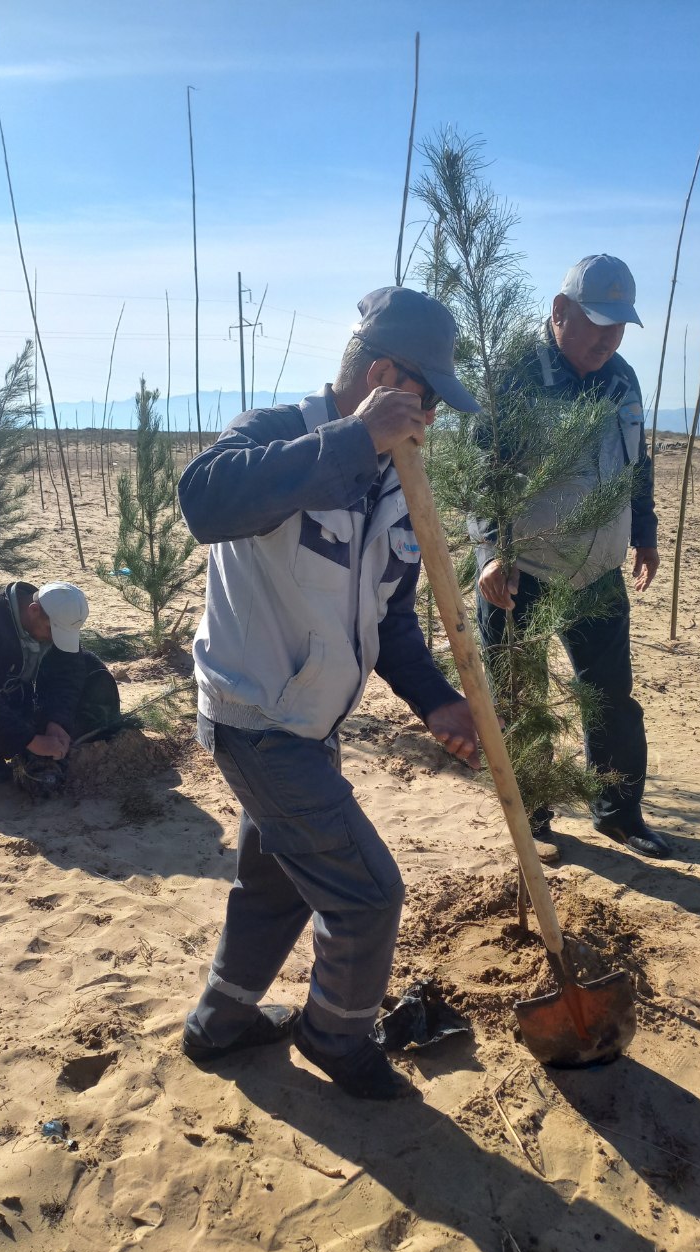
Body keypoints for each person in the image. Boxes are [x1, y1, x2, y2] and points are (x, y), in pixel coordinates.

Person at [178, 286, 482, 1101]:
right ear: (384, 377)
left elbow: (391, 620)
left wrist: (436, 701)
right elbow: (204, 501)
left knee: (278, 883)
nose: (432, 423)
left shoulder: (395, 483)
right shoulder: (277, 434)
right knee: (368, 896)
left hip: (310, 725)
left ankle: (220, 1023)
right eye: (428, 403)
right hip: (257, 719)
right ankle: (334, 1035)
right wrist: (353, 438)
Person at [472, 254, 670, 859]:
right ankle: (531, 821)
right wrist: (490, 552)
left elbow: (637, 463)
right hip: (521, 572)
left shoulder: (623, 379)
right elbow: (480, 476)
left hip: (598, 571)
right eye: (599, 324)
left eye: (620, 327)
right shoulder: (513, 377)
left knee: (611, 697)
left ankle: (619, 814)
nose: (609, 340)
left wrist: (644, 532)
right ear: (560, 312)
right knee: (520, 701)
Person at [0, 580, 119, 784]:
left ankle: (36, 742)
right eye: (52, 631)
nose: (54, 639)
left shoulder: (55, 619)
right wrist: (30, 740)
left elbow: (68, 674)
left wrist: (57, 722)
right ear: (33, 610)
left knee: (86, 663)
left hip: (15, 687)